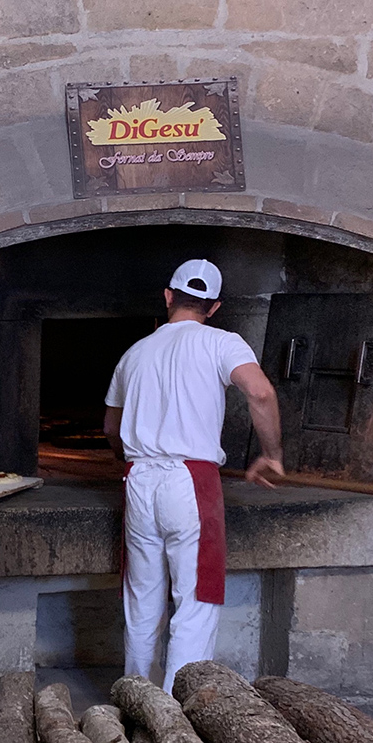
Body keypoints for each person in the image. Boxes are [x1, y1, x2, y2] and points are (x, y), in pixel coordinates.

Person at [102, 259, 285, 693]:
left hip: (139, 481)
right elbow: (259, 391)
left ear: (168, 297)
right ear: (215, 306)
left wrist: (128, 459)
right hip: (191, 481)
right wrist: (271, 455)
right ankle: (179, 711)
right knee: (197, 597)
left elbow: (111, 427)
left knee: (142, 598)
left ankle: (136, 696)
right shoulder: (223, 343)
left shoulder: (134, 354)